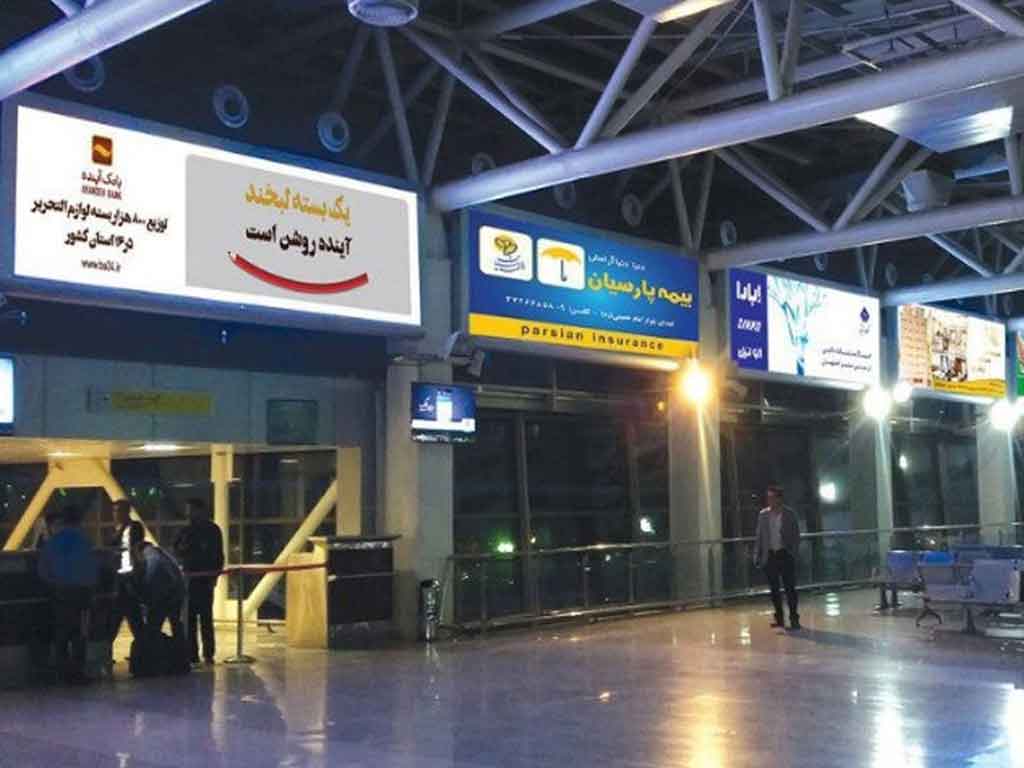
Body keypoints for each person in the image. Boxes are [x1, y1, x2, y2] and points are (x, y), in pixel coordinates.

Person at [37, 506, 98, 684]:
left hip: (61, 592)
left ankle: (62, 673)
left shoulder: (53, 541)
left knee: (62, 632)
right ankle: (78, 672)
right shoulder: (84, 540)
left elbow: (43, 570)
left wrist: (55, 583)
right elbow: (91, 568)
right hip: (83, 593)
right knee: (80, 633)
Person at [174, 498, 224, 664]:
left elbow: (218, 556)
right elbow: (176, 550)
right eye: (188, 511)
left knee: (205, 617)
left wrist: (214, 577)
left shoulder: (212, 530)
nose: (189, 514)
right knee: (189, 619)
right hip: (189, 579)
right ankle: (192, 654)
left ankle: (208, 653)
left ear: (200, 510)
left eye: (191, 510)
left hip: (205, 580)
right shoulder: (185, 531)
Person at [754, 485, 802, 631]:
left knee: (790, 588)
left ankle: (794, 618)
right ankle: (779, 618)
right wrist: (757, 554)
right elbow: (759, 536)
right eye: (768, 497)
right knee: (774, 589)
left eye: (772, 497)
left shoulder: (789, 514)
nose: (769, 500)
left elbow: (796, 535)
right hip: (770, 555)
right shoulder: (763, 515)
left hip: (785, 554)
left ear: (779, 498)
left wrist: (793, 552)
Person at [130, 526, 186, 649]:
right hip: (176, 592)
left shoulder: (150, 560)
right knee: (176, 624)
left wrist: (143, 600)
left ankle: (153, 652)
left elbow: (150, 584)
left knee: (153, 627)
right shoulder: (159, 553)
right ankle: (182, 652)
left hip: (165, 594)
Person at [109, 500, 144, 642]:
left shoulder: (134, 527)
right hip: (120, 576)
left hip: (130, 576)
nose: (115, 514)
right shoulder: (117, 530)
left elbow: (136, 548)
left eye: (118, 511)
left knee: (131, 614)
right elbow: (111, 545)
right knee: (123, 613)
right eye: (114, 511)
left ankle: (142, 644)